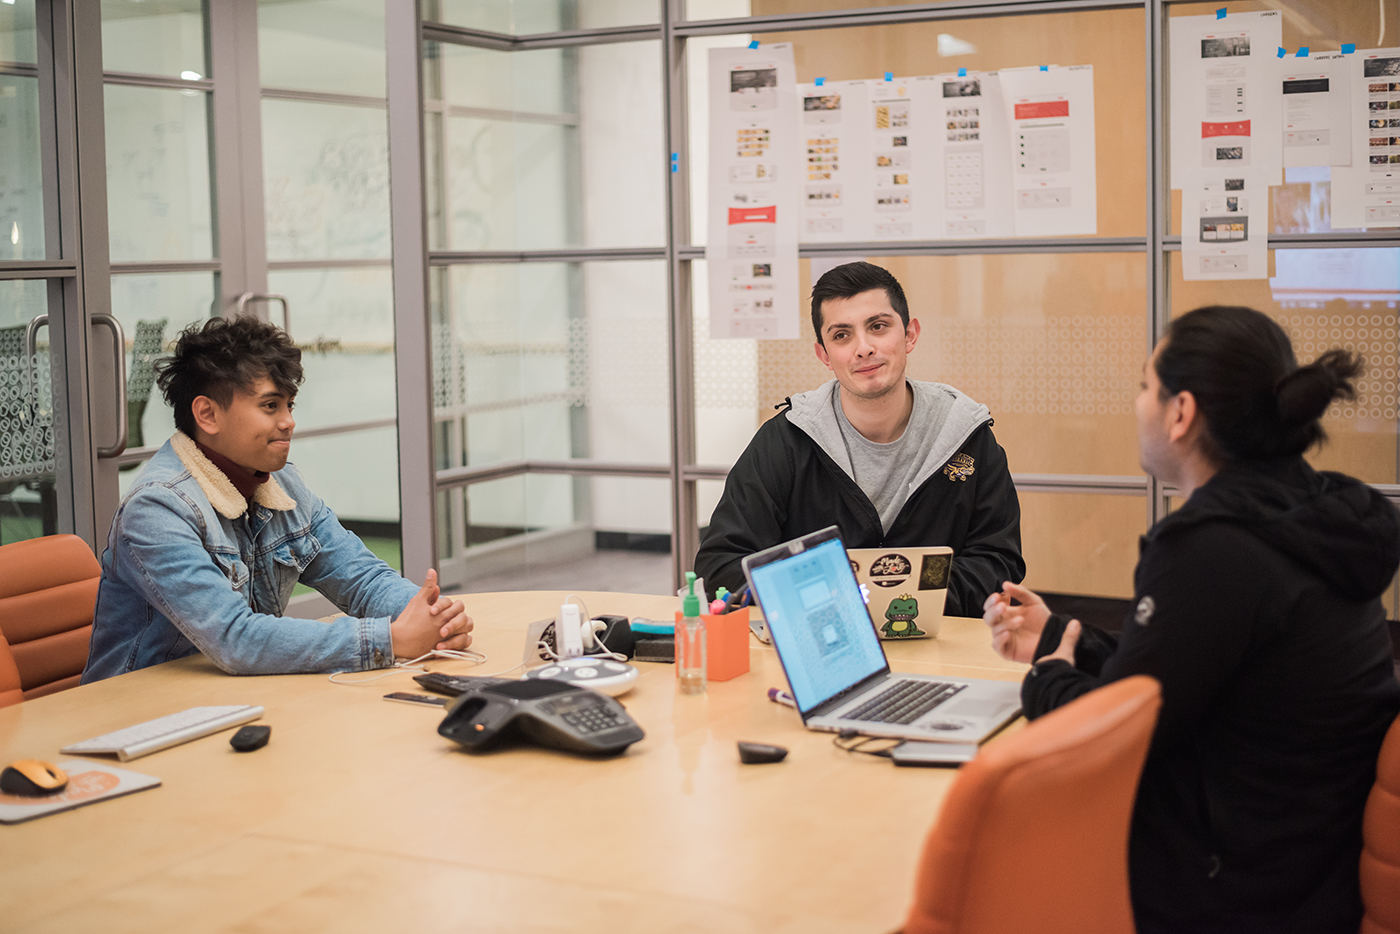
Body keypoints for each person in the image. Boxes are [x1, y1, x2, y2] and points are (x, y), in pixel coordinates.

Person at [984, 305, 1400, 934]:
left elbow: (1116, 745)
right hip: (1305, 858)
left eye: (1146, 387)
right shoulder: (1312, 513)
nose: (1139, 404)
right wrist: (1065, 638)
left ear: (1181, 413)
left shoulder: (1214, 547)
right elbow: (1193, 672)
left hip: (1234, 893)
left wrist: (1047, 678)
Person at [82, 316, 473, 682]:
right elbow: (236, 639)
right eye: (270, 406)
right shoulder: (157, 508)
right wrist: (391, 639)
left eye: (290, 405)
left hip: (233, 698)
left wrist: (429, 617)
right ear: (207, 415)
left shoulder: (280, 482)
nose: (288, 421)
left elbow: (362, 578)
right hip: (138, 716)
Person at [696, 261, 1024, 616]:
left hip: (943, 641)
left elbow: (999, 563)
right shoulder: (786, 440)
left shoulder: (965, 434)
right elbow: (722, 563)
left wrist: (908, 594)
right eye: (841, 335)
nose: (863, 348)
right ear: (824, 354)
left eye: (878, 327)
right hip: (823, 642)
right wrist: (831, 594)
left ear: (910, 334)